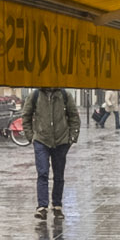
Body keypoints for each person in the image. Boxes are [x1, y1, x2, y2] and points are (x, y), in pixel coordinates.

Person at [23, 86, 80, 221]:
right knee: (42, 173)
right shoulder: (35, 95)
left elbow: (74, 116)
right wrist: (31, 136)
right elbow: (26, 115)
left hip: (61, 141)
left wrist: (72, 138)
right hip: (41, 140)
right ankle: (42, 207)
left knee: (58, 174)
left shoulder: (64, 95)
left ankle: (57, 205)